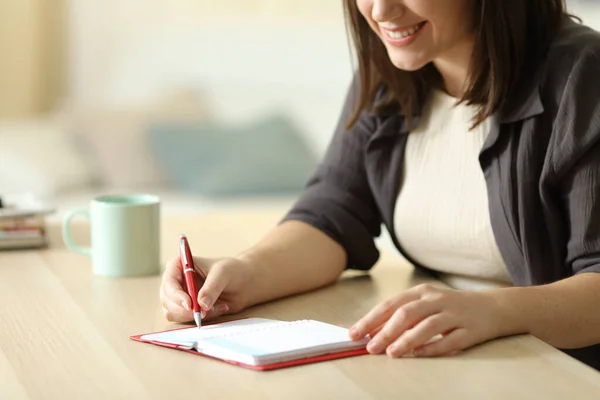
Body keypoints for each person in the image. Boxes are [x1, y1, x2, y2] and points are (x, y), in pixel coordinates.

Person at [160, 0, 600, 370]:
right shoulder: (393, 71)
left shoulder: (583, 76)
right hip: (447, 364)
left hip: (555, 372)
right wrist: (246, 272)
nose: (380, 10)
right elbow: (333, 215)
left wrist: (496, 311)